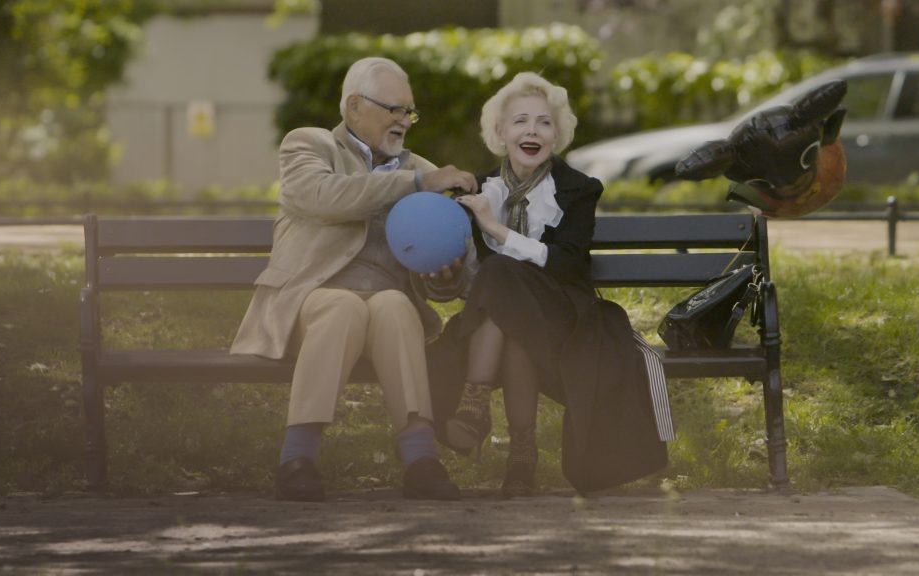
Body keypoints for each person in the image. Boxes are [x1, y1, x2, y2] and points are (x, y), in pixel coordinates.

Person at [230, 57, 477, 502]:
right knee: (341, 306)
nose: (404, 121)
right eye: (394, 109)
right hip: (311, 295)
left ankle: (421, 460)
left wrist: (447, 274)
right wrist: (415, 183)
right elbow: (322, 196)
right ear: (354, 107)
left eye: (409, 112)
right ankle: (297, 459)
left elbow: (450, 273)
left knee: (396, 306)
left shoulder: (419, 168)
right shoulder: (309, 145)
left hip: (384, 302)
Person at [428, 72, 674, 498]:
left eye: (544, 122)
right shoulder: (479, 191)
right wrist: (448, 274)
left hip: (567, 321)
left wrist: (498, 232)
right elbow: (470, 284)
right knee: (507, 305)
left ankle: (474, 403)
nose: (532, 130)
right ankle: (522, 457)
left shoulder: (579, 190)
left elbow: (564, 263)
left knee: (502, 273)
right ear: (500, 132)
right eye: (520, 121)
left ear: (556, 135)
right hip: (507, 325)